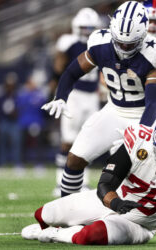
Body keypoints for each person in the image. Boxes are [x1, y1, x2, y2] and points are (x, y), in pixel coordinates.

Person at [21, 117, 156, 245]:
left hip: (141, 224)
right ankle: (62, 227)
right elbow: (105, 184)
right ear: (154, 148)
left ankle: (57, 235)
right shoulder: (138, 141)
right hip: (112, 201)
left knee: (92, 235)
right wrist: (116, 202)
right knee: (43, 214)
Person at [41, 1, 156, 197]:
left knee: (134, 177)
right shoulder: (100, 42)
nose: (124, 47)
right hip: (114, 110)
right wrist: (61, 96)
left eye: (130, 43)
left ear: (143, 35)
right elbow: (72, 72)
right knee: (74, 159)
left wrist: (142, 132)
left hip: (145, 117)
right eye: (120, 41)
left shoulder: (154, 53)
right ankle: (66, 211)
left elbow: (154, 102)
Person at [52, 8, 101, 196]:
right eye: (84, 27)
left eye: (91, 27)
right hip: (74, 95)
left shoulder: (100, 42)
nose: (87, 31)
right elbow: (58, 68)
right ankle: (59, 182)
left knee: (87, 141)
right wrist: (58, 94)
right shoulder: (68, 43)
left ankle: (83, 182)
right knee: (67, 140)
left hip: (93, 96)